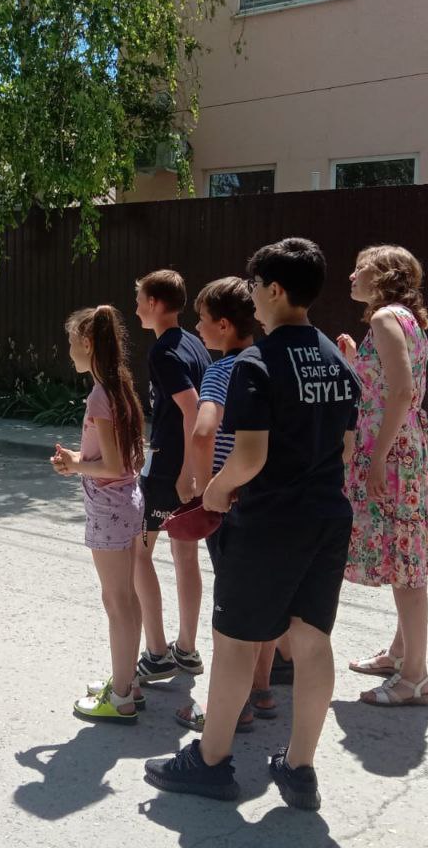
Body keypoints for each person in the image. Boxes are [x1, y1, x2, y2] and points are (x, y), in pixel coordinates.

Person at [145, 238, 359, 810]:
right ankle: (300, 768)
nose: (254, 296)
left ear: (276, 290)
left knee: (235, 642)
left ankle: (211, 762)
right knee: (312, 641)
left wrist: (214, 495)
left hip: (268, 520)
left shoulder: (256, 364)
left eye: (257, 285)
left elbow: (250, 456)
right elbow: (345, 446)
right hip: (327, 515)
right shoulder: (338, 359)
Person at [338, 246, 428, 707]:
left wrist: (377, 458)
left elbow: (401, 392)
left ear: (384, 276)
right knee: (404, 558)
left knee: (406, 566)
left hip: (391, 453)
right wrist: (355, 359)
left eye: (362, 268)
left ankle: (415, 677)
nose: (352, 275)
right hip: (403, 447)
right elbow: (387, 385)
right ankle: (400, 654)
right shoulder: (404, 318)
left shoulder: (384, 318)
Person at [176, 276, 268, 733]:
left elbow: (203, 431)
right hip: (269, 495)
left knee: (230, 606)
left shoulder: (221, 370)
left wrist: (203, 485)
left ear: (225, 326)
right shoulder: (268, 362)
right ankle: (261, 689)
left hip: (231, 499)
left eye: (203, 319)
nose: (198, 328)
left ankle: (231, 706)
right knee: (263, 595)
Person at [52, 306, 148, 723]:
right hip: (125, 502)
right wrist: (78, 458)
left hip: (109, 507)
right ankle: (128, 681)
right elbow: (123, 458)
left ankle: (121, 696)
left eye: (72, 343)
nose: (69, 351)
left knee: (116, 601)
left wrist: (76, 464)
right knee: (127, 597)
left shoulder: (99, 396)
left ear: (88, 344)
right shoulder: (117, 386)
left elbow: (111, 465)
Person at [132, 269, 211, 683]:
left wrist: (186, 473)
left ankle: (157, 653)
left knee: (138, 554)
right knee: (186, 557)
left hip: (168, 470)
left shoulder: (164, 351)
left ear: (155, 303)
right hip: (185, 466)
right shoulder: (194, 343)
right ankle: (187, 649)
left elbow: (193, 408)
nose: (136, 309)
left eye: (139, 301)